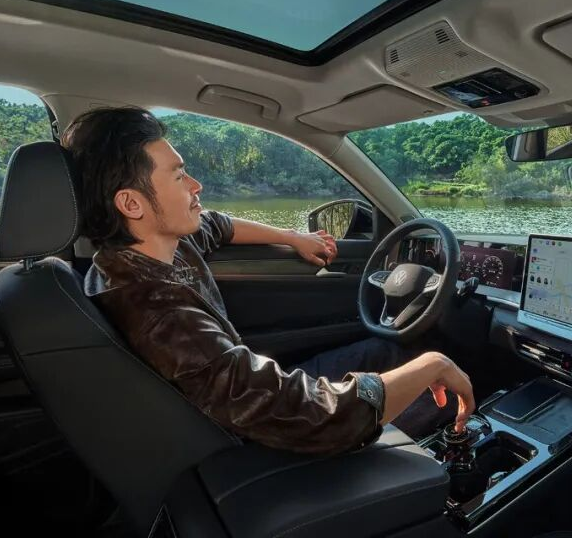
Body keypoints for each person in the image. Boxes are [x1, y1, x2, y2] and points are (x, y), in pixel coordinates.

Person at [60, 107, 475, 456]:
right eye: (179, 176)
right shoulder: (157, 311)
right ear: (131, 203)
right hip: (256, 442)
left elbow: (217, 225)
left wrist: (293, 237)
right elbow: (309, 416)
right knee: (427, 382)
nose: (196, 185)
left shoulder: (148, 252)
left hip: (245, 404)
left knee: (384, 351)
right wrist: (433, 366)